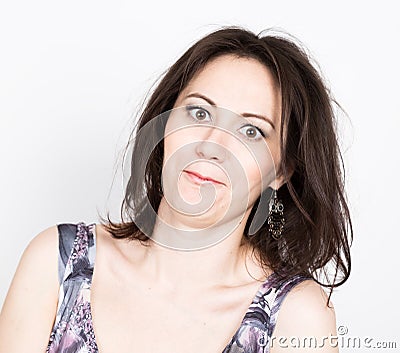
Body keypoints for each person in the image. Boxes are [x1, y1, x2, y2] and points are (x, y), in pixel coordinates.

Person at [0, 26, 352, 353]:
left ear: (282, 171)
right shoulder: (58, 264)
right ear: (164, 123)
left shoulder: (297, 316)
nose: (211, 145)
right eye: (199, 113)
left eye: (251, 132)